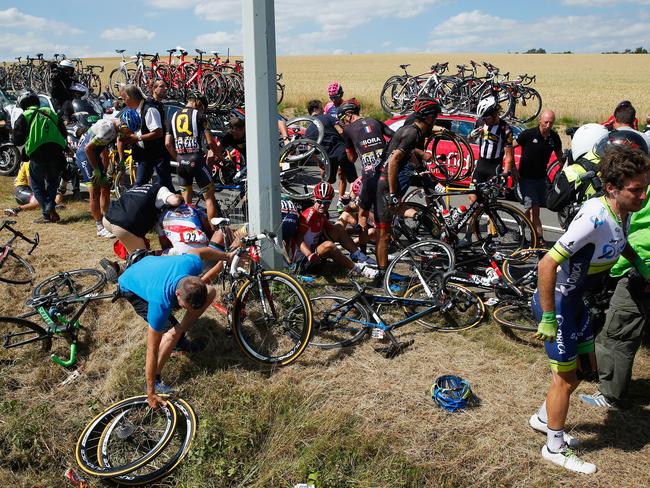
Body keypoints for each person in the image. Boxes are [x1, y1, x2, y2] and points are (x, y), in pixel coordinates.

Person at [529, 146, 650, 474]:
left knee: (583, 368)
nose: (642, 195)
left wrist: (642, 266)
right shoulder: (594, 216)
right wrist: (550, 317)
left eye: (646, 187)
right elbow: (546, 264)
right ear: (612, 188)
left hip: (576, 302)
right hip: (558, 303)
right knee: (564, 378)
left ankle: (543, 418)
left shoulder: (621, 212)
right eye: (636, 189)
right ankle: (553, 446)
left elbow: (619, 244)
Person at [117, 251, 232, 409]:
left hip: (149, 268)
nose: (189, 310)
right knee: (171, 335)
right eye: (187, 306)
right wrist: (150, 393)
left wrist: (227, 256)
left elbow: (202, 251)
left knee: (211, 291)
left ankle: (179, 332)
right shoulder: (160, 302)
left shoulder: (192, 263)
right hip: (130, 286)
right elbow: (152, 350)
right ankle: (156, 379)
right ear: (177, 294)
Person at [375, 97, 441, 279]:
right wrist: (394, 193)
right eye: (435, 116)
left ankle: (423, 220)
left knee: (388, 225)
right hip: (384, 183)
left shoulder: (415, 132)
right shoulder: (413, 133)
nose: (436, 120)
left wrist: (420, 165)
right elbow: (394, 160)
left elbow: (409, 153)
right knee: (383, 233)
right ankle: (382, 276)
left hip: (385, 181)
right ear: (428, 118)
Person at [339, 98, 394, 251]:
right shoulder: (375, 121)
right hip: (388, 171)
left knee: (363, 214)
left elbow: (352, 158)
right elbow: (394, 136)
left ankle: (362, 252)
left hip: (370, 176)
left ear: (349, 114)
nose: (343, 123)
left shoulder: (348, 131)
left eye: (343, 119)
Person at [76, 109, 140, 237]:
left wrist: (121, 161)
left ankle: (106, 221)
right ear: (123, 125)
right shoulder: (108, 128)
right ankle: (99, 226)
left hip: (95, 151)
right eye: (130, 130)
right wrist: (96, 170)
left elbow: (120, 140)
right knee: (95, 191)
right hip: (85, 154)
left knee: (105, 187)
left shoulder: (119, 126)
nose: (131, 134)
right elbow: (88, 148)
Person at [292, 182, 377, 278]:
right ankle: (359, 269)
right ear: (314, 199)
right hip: (304, 259)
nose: (323, 206)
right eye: (319, 202)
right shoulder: (309, 215)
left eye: (326, 203)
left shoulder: (321, 214)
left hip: (315, 250)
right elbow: (298, 238)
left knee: (339, 228)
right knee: (329, 246)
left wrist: (356, 230)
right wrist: (309, 255)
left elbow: (337, 231)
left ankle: (360, 256)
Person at [12, 91, 67, 224]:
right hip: (56, 151)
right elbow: (64, 132)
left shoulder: (24, 116)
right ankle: (49, 209)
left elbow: (17, 141)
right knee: (53, 182)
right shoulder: (51, 112)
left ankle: (47, 211)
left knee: (36, 184)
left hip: (38, 154)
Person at [165, 92, 218, 220]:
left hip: (181, 162)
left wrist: (178, 157)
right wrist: (220, 157)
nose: (201, 110)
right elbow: (210, 142)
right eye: (201, 107)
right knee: (209, 199)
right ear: (197, 102)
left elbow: (167, 143)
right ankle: (214, 234)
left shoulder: (173, 116)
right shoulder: (200, 116)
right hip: (196, 160)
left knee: (186, 202)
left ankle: (188, 230)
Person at [513, 110, 563, 245]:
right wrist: (512, 168)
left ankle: (521, 229)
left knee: (531, 210)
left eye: (551, 123)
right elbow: (510, 147)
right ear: (540, 121)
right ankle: (539, 239)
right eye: (546, 122)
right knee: (534, 209)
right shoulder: (528, 134)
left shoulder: (554, 137)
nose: (548, 125)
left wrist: (566, 170)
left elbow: (560, 157)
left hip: (541, 179)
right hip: (526, 178)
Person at [118, 84, 175, 191]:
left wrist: (137, 138)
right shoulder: (134, 110)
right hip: (145, 154)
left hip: (158, 154)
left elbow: (158, 132)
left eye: (124, 98)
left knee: (164, 185)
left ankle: (174, 205)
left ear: (131, 97)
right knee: (139, 184)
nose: (123, 102)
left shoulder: (149, 110)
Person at [305, 99, 357, 214]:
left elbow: (310, 150)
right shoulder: (328, 117)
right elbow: (341, 131)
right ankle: (351, 203)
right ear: (317, 109)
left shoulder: (308, 130)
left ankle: (323, 206)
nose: (324, 109)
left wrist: (319, 164)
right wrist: (350, 145)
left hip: (328, 158)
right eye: (322, 107)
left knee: (328, 183)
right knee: (353, 179)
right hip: (342, 151)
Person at [103, 182, 182, 255]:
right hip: (124, 225)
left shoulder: (139, 188)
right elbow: (175, 201)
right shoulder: (161, 189)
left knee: (136, 247)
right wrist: (179, 197)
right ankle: (120, 267)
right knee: (142, 260)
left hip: (107, 219)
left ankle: (119, 264)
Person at [468, 96, 515, 204]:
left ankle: (492, 221)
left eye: (486, 118)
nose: (483, 120)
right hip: (480, 165)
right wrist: (471, 135)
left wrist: (505, 174)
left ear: (495, 114)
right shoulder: (480, 122)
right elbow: (470, 139)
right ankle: (474, 221)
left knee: (489, 202)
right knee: (473, 199)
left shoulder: (506, 129)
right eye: (482, 118)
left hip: (494, 168)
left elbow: (509, 155)